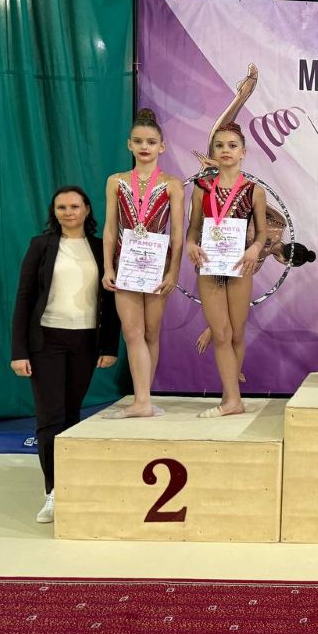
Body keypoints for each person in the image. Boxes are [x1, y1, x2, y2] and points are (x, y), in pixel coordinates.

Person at [10, 186, 119, 522]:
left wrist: (109, 345)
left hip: (85, 342)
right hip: (46, 342)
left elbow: (112, 300)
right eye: (61, 207)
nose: (68, 212)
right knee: (50, 418)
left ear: (87, 210)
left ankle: (71, 485)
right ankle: (53, 493)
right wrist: (19, 352)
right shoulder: (40, 246)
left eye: (74, 206)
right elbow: (24, 298)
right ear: (54, 213)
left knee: (71, 416)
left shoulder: (102, 248)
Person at [101, 108, 184, 418]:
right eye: (138, 141)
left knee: (151, 332)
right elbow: (110, 228)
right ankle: (142, 401)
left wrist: (173, 271)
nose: (144, 146)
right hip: (126, 263)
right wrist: (108, 267)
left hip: (157, 266)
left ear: (162, 146)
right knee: (132, 332)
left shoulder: (173, 184)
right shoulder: (116, 181)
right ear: (129, 145)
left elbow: (178, 233)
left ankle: (143, 400)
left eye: (150, 142)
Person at [185, 122, 268, 417]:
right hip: (209, 265)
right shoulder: (202, 189)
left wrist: (255, 249)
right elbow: (193, 229)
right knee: (220, 333)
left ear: (243, 152)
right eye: (219, 145)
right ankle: (233, 399)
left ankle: (231, 397)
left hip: (239, 265)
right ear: (213, 151)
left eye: (232, 146)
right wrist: (190, 245)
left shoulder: (254, 190)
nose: (225, 150)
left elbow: (262, 233)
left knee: (236, 332)